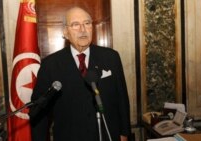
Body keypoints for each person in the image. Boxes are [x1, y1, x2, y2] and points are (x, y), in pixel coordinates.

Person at [29, 6, 131, 141]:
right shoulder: (50, 64)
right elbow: (39, 112)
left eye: (87, 23)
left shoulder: (111, 57)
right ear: (65, 32)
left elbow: (122, 99)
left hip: (107, 135)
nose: (83, 30)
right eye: (75, 25)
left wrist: (124, 134)